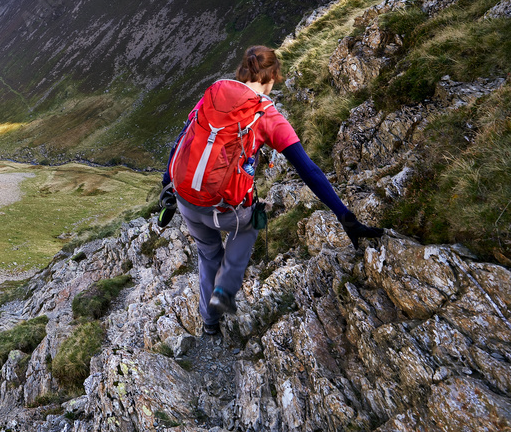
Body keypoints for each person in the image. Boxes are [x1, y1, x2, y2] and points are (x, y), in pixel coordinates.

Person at [159, 46, 383, 336]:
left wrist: (168, 183)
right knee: (255, 219)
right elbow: (308, 170)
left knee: (208, 255)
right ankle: (224, 290)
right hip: (225, 209)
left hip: (186, 199)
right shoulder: (266, 114)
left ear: (243, 71)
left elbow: (184, 136)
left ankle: (209, 324)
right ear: (272, 77)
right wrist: (344, 215)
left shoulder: (215, 91)